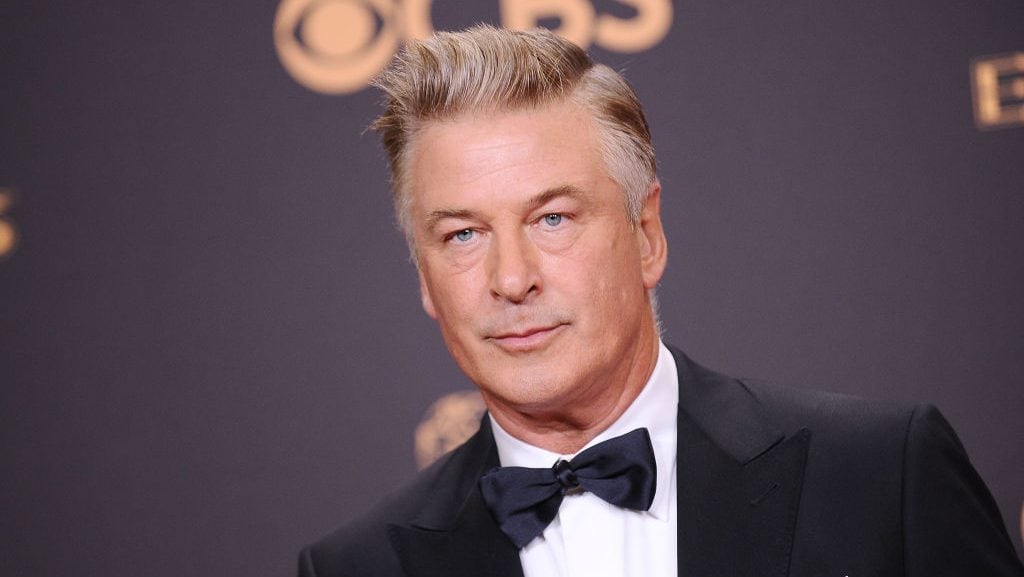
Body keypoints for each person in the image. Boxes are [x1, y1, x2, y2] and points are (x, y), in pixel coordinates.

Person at [299, 25, 1023, 577]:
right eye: (462, 233)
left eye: (553, 218)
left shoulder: (878, 479)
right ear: (424, 277)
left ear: (646, 234)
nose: (511, 278)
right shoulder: (356, 567)